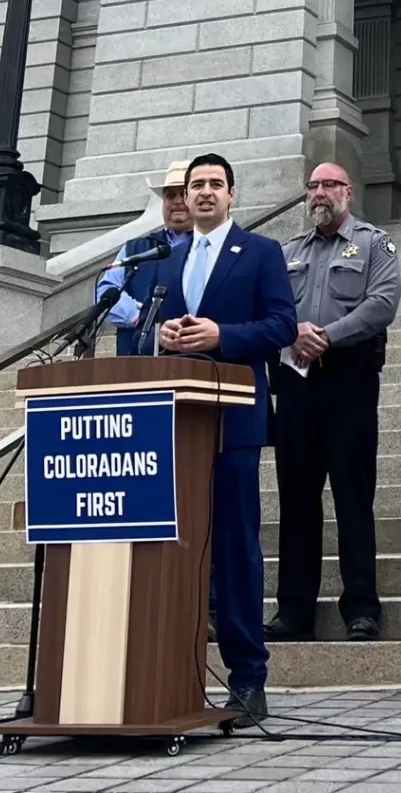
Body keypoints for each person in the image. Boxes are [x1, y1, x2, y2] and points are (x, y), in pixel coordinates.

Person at [152, 153, 296, 720]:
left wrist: (222, 335)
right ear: (184, 197)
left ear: (233, 194)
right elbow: (146, 328)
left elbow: (283, 325)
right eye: (196, 186)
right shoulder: (167, 257)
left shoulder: (260, 253)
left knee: (236, 547)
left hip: (233, 420)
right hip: (174, 422)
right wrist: (162, 333)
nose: (204, 193)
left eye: (215, 184)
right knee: (176, 545)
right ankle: (168, 670)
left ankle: (247, 676)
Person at [264, 162, 401, 643]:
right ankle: (294, 611)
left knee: (352, 498)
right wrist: (293, 331)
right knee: (296, 500)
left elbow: (382, 303)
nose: (320, 193)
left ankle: (361, 607)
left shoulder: (374, 242)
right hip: (297, 384)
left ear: (348, 190)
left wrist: (327, 335)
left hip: (350, 381)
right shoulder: (287, 252)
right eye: (314, 186)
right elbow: (272, 308)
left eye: (330, 185)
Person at [95, 160, 192, 355]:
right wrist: (142, 316)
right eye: (170, 195)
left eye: (184, 194)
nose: (177, 201)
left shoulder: (211, 247)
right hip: (135, 361)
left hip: (191, 357)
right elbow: (105, 291)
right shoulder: (135, 249)